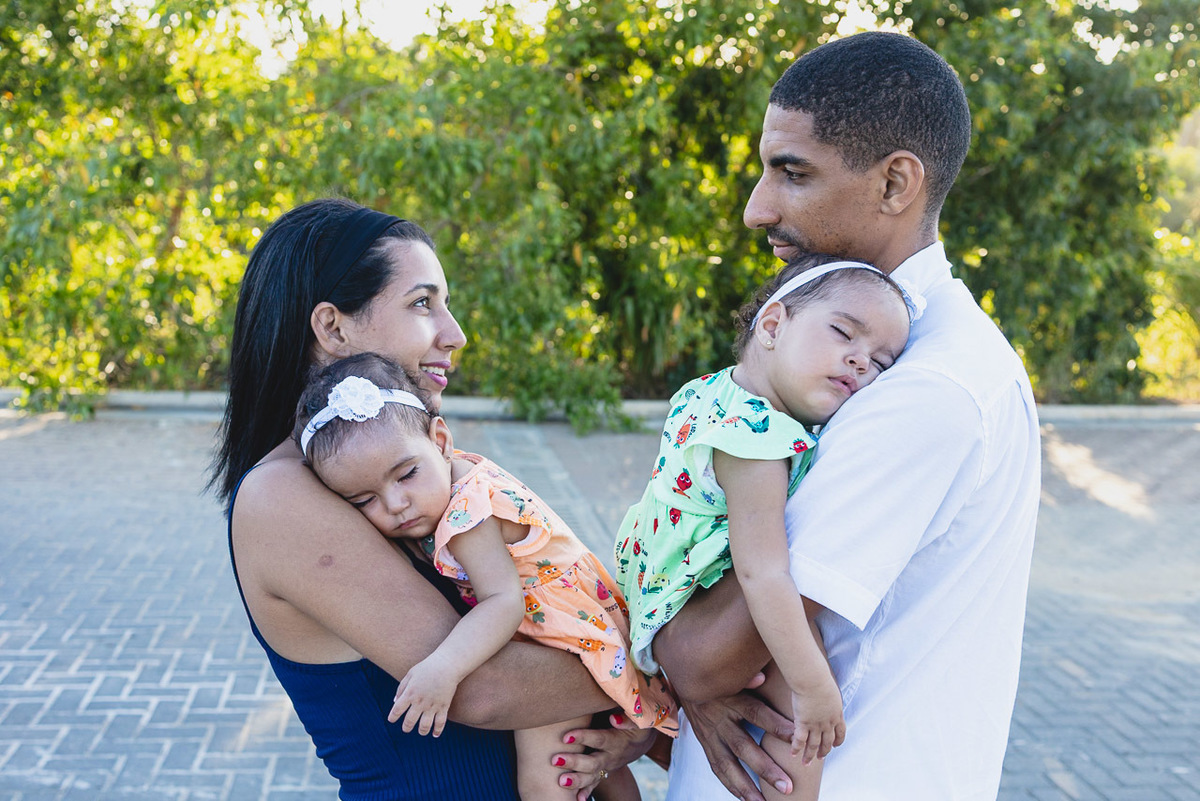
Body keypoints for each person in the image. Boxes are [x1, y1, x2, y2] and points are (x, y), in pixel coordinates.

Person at [645, 31, 1041, 800]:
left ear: (896, 184)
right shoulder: (868, 354)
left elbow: (705, 657)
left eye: (792, 173)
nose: (758, 209)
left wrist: (668, 653)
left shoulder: (925, 386)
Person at [208, 197, 658, 800]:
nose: (456, 334)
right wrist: (669, 675)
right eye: (423, 303)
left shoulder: (399, 468)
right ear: (333, 327)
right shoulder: (279, 495)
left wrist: (629, 729)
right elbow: (486, 689)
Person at [290, 352, 677, 800]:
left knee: (545, 779)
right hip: (580, 621)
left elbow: (503, 602)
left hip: (566, 637)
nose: (396, 504)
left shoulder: (467, 512)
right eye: (363, 501)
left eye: (406, 475)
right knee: (590, 762)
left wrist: (443, 668)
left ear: (440, 440)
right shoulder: (456, 476)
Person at [613, 255, 915, 800]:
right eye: (844, 333)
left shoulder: (713, 390)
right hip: (687, 605)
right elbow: (766, 573)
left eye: (881, 363)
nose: (860, 361)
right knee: (802, 693)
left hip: (652, 583)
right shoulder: (758, 442)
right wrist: (813, 684)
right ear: (773, 325)